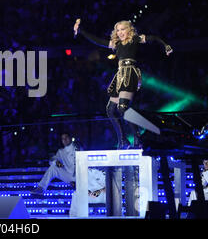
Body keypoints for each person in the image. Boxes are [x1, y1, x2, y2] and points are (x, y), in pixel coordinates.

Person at [73, 19, 173, 148]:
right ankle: (122, 140)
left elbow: (153, 38)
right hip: (120, 75)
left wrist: (165, 45)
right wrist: (81, 31)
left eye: (123, 29)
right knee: (110, 109)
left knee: (122, 108)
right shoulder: (116, 44)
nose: (120, 32)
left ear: (129, 30)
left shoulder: (135, 39)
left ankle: (137, 138)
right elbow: (97, 41)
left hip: (130, 73)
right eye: (118, 30)